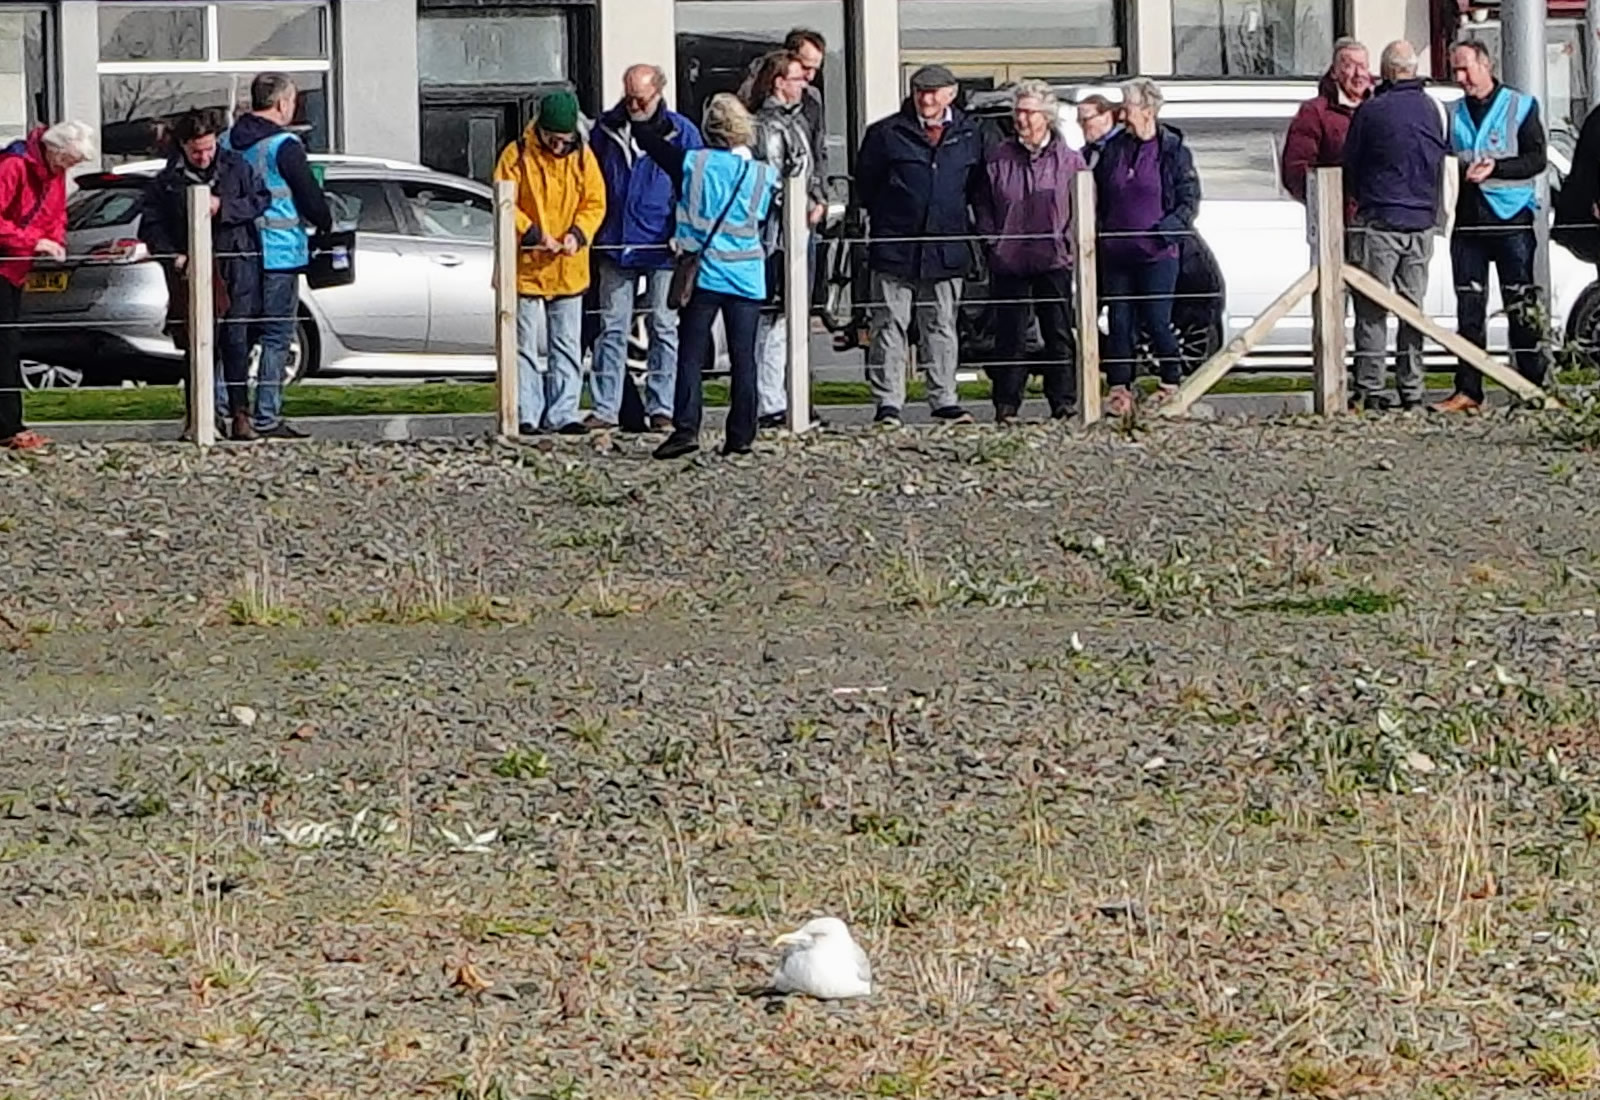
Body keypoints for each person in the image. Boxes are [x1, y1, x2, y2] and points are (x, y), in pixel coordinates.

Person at [634, 93, 779, 459]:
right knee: (745, 359)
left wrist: (642, 112)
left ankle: (686, 429)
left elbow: (649, 145)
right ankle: (742, 434)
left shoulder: (691, 164)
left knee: (691, 355)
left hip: (703, 273)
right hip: (747, 275)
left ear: (708, 129)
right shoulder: (763, 173)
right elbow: (763, 216)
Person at [856, 64, 983, 427]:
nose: (926, 100)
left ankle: (944, 399)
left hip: (946, 247)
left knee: (941, 324)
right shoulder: (885, 133)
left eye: (933, 92)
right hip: (896, 246)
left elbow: (973, 186)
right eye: (919, 92)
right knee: (889, 324)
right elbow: (867, 184)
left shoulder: (969, 134)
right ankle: (888, 403)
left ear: (951, 94)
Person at [140, 108, 271, 441]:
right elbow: (151, 226)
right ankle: (200, 416)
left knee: (237, 341)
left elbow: (260, 200)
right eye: (196, 151)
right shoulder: (166, 182)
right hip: (192, 268)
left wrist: (223, 207)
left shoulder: (237, 167)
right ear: (183, 145)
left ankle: (241, 414)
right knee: (197, 344)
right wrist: (174, 256)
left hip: (236, 262)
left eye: (209, 148)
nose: (204, 156)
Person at [1433, 38, 1549, 413]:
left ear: (1486, 65)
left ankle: (1531, 386)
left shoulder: (1521, 106)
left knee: (1521, 306)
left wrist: (1497, 168)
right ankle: (1468, 390)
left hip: (1512, 220)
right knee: (1469, 310)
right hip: (1468, 223)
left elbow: (1536, 160)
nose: (1461, 77)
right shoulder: (1451, 112)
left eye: (1466, 68)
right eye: (1456, 71)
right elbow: (1444, 160)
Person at [589, 64, 702, 433]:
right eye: (629, 94)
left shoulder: (682, 132)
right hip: (615, 241)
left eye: (641, 96)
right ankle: (606, 408)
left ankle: (662, 407)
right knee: (611, 327)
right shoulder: (606, 129)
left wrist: (682, 231)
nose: (634, 103)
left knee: (663, 327)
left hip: (662, 244)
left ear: (658, 92)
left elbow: (695, 187)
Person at [222, 73, 332, 440]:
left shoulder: (226, 142)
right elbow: (311, 199)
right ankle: (267, 416)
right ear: (283, 103)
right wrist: (326, 223)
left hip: (237, 253)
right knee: (275, 335)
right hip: (279, 252)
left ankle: (222, 408)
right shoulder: (284, 146)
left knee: (238, 335)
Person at [1340, 40, 1447, 412]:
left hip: (1381, 219)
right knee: (1411, 309)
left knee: (1372, 308)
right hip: (1422, 222)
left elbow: (1349, 163)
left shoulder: (1372, 111)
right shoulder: (1432, 109)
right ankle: (1412, 388)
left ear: (1385, 71)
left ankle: (1370, 386)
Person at [493, 89, 607, 436]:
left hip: (569, 267)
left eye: (564, 139)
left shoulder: (585, 158)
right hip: (527, 266)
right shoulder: (516, 155)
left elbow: (595, 202)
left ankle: (563, 412)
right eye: (552, 139)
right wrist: (534, 235)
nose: (558, 146)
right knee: (524, 346)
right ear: (540, 129)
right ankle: (527, 412)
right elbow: (504, 201)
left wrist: (576, 235)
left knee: (567, 345)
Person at [973, 80, 1085, 423]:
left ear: (1046, 116)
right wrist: (992, 241)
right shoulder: (998, 157)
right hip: (1009, 261)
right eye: (1017, 111)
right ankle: (1007, 405)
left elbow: (1081, 203)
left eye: (1027, 112)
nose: (1020, 119)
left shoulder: (1069, 160)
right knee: (1010, 336)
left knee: (1058, 332)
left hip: (1054, 259)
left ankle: (1063, 402)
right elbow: (982, 203)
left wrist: (1067, 241)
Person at [1094, 78, 1199, 415]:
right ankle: (1120, 388)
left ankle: (1171, 380)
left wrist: (1167, 232)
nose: (1124, 114)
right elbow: (1098, 190)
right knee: (1119, 322)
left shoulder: (1171, 150)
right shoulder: (1113, 149)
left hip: (1157, 252)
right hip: (1117, 252)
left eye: (1129, 106)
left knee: (1156, 319)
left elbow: (1188, 199)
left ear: (1149, 110)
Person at [0, 120, 93, 450]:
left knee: (9, 344)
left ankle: (10, 425)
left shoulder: (53, 172)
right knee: (5, 346)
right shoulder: (13, 166)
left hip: (14, 267)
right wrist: (33, 241)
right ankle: (9, 426)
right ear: (54, 151)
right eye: (70, 161)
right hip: (6, 261)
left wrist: (56, 240)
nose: (70, 168)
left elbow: (55, 215)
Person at [747, 49, 813, 429]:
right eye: (796, 77)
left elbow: (808, 168)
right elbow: (772, 180)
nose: (803, 84)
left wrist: (817, 199)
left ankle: (789, 395)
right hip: (774, 235)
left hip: (799, 229)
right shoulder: (766, 126)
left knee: (792, 316)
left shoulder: (797, 122)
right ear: (778, 83)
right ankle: (769, 398)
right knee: (772, 317)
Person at [1282, 37, 1371, 229]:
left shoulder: (1380, 109)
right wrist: (1329, 199)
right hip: (1335, 224)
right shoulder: (1315, 113)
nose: (1358, 74)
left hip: (1378, 224)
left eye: (1363, 67)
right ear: (1334, 72)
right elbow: (1295, 171)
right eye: (1349, 66)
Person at [1077, 95, 1120, 169]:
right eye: (1079, 120)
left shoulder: (1124, 149)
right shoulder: (1086, 153)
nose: (1081, 125)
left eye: (1085, 119)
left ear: (1106, 118)